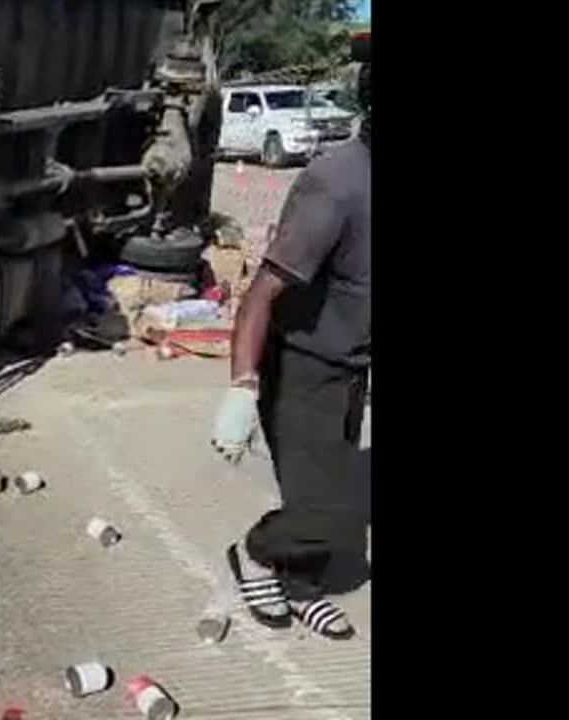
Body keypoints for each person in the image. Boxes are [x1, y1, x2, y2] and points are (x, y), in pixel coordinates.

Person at [211, 43, 370, 640]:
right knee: (326, 511)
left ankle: (301, 585)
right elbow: (261, 292)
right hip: (302, 366)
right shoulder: (336, 184)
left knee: (322, 493)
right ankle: (254, 553)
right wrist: (241, 387)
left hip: (350, 367)